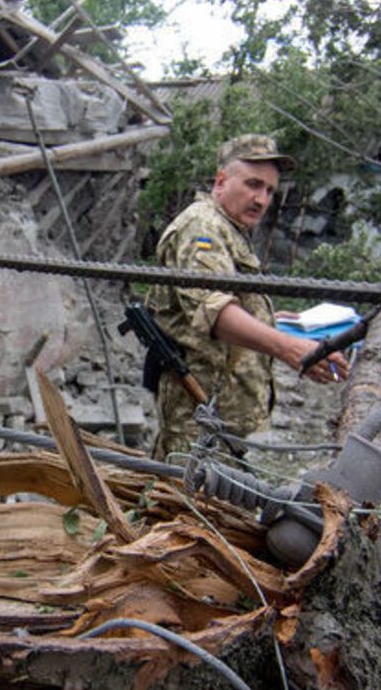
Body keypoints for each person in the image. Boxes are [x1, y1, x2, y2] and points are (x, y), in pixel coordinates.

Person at [147, 134, 345, 460]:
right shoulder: (203, 226)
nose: (262, 199)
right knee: (184, 507)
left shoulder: (229, 228)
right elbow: (215, 310)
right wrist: (292, 349)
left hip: (225, 416)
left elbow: (218, 300)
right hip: (201, 418)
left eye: (269, 190)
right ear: (221, 180)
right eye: (253, 184)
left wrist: (272, 321)